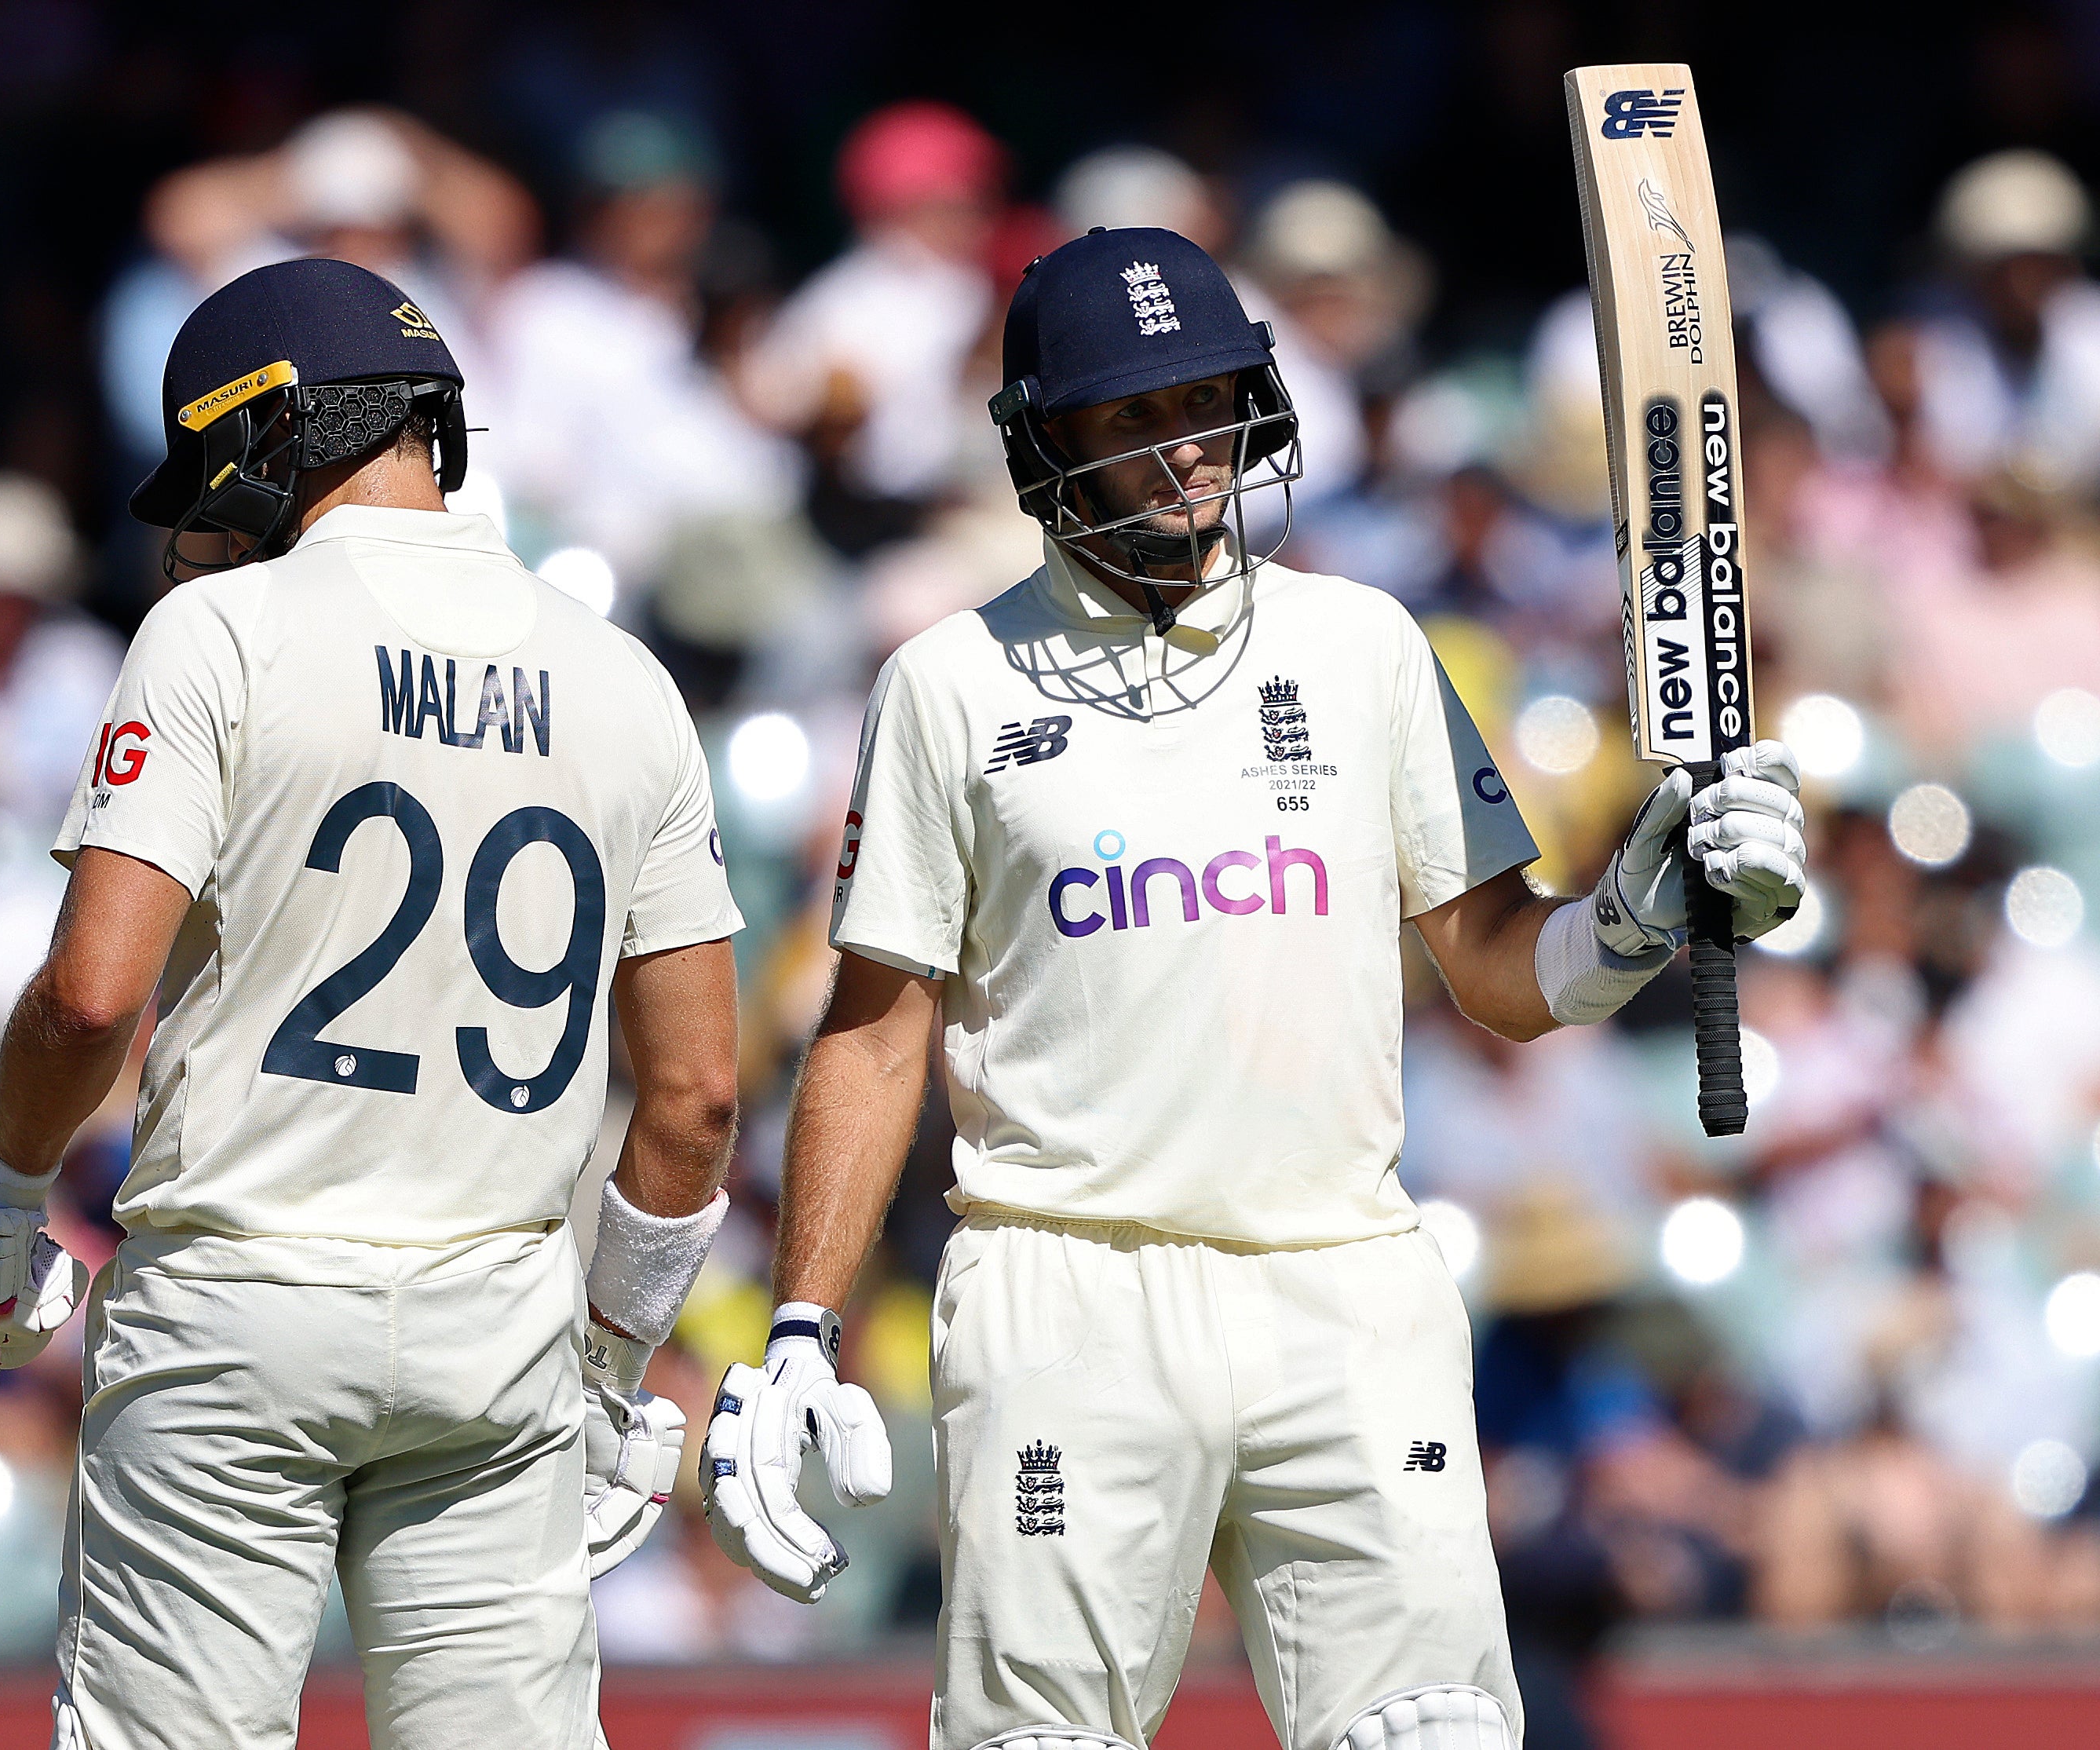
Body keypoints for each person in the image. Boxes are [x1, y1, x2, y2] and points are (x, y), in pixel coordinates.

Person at [698, 228, 1810, 1750]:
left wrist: (1639, 905)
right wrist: (803, 1324)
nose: (1185, 450)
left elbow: (1495, 967)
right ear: (1045, 442)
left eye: (1207, 401)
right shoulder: (948, 683)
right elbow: (876, 1029)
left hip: (1340, 1276)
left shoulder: (1363, 643)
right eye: (1131, 416)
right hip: (1063, 1283)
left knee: (1434, 1730)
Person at [0, 258, 745, 1750]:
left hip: (238, 1312)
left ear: (267, 433)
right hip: (501, 1333)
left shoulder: (220, 632)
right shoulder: (629, 682)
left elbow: (93, 999)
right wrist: (611, 1359)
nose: (199, 527)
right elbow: (694, 1104)